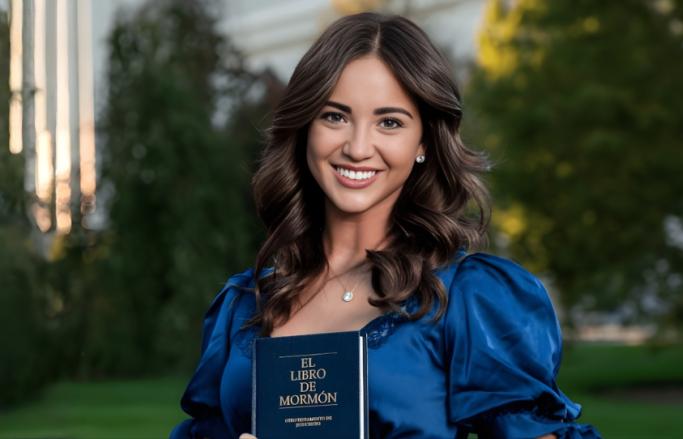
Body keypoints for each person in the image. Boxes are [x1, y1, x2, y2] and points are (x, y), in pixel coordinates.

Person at [170, 12, 600, 439]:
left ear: (424, 141)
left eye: (389, 122)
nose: (358, 148)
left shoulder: (470, 299)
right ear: (305, 127)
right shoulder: (244, 306)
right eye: (335, 116)